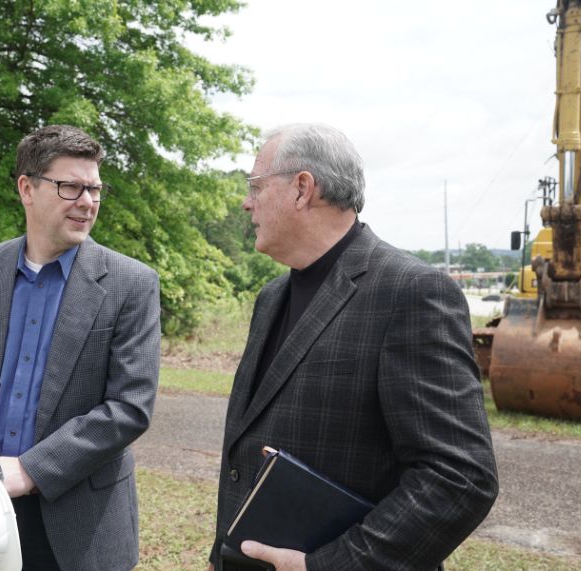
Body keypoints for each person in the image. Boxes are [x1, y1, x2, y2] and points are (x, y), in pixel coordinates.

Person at [209, 124, 498, 570]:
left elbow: (459, 477)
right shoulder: (271, 298)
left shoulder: (412, 291)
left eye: (256, 186)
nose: (247, 202)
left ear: (303, 188)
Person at [0, 124, 161, 571]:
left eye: (94, 188)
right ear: (27, 188)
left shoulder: (132, 283)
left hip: (83, 525)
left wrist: (32, 470)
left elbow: (130, 407)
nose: (88, 202)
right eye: (70, 187)